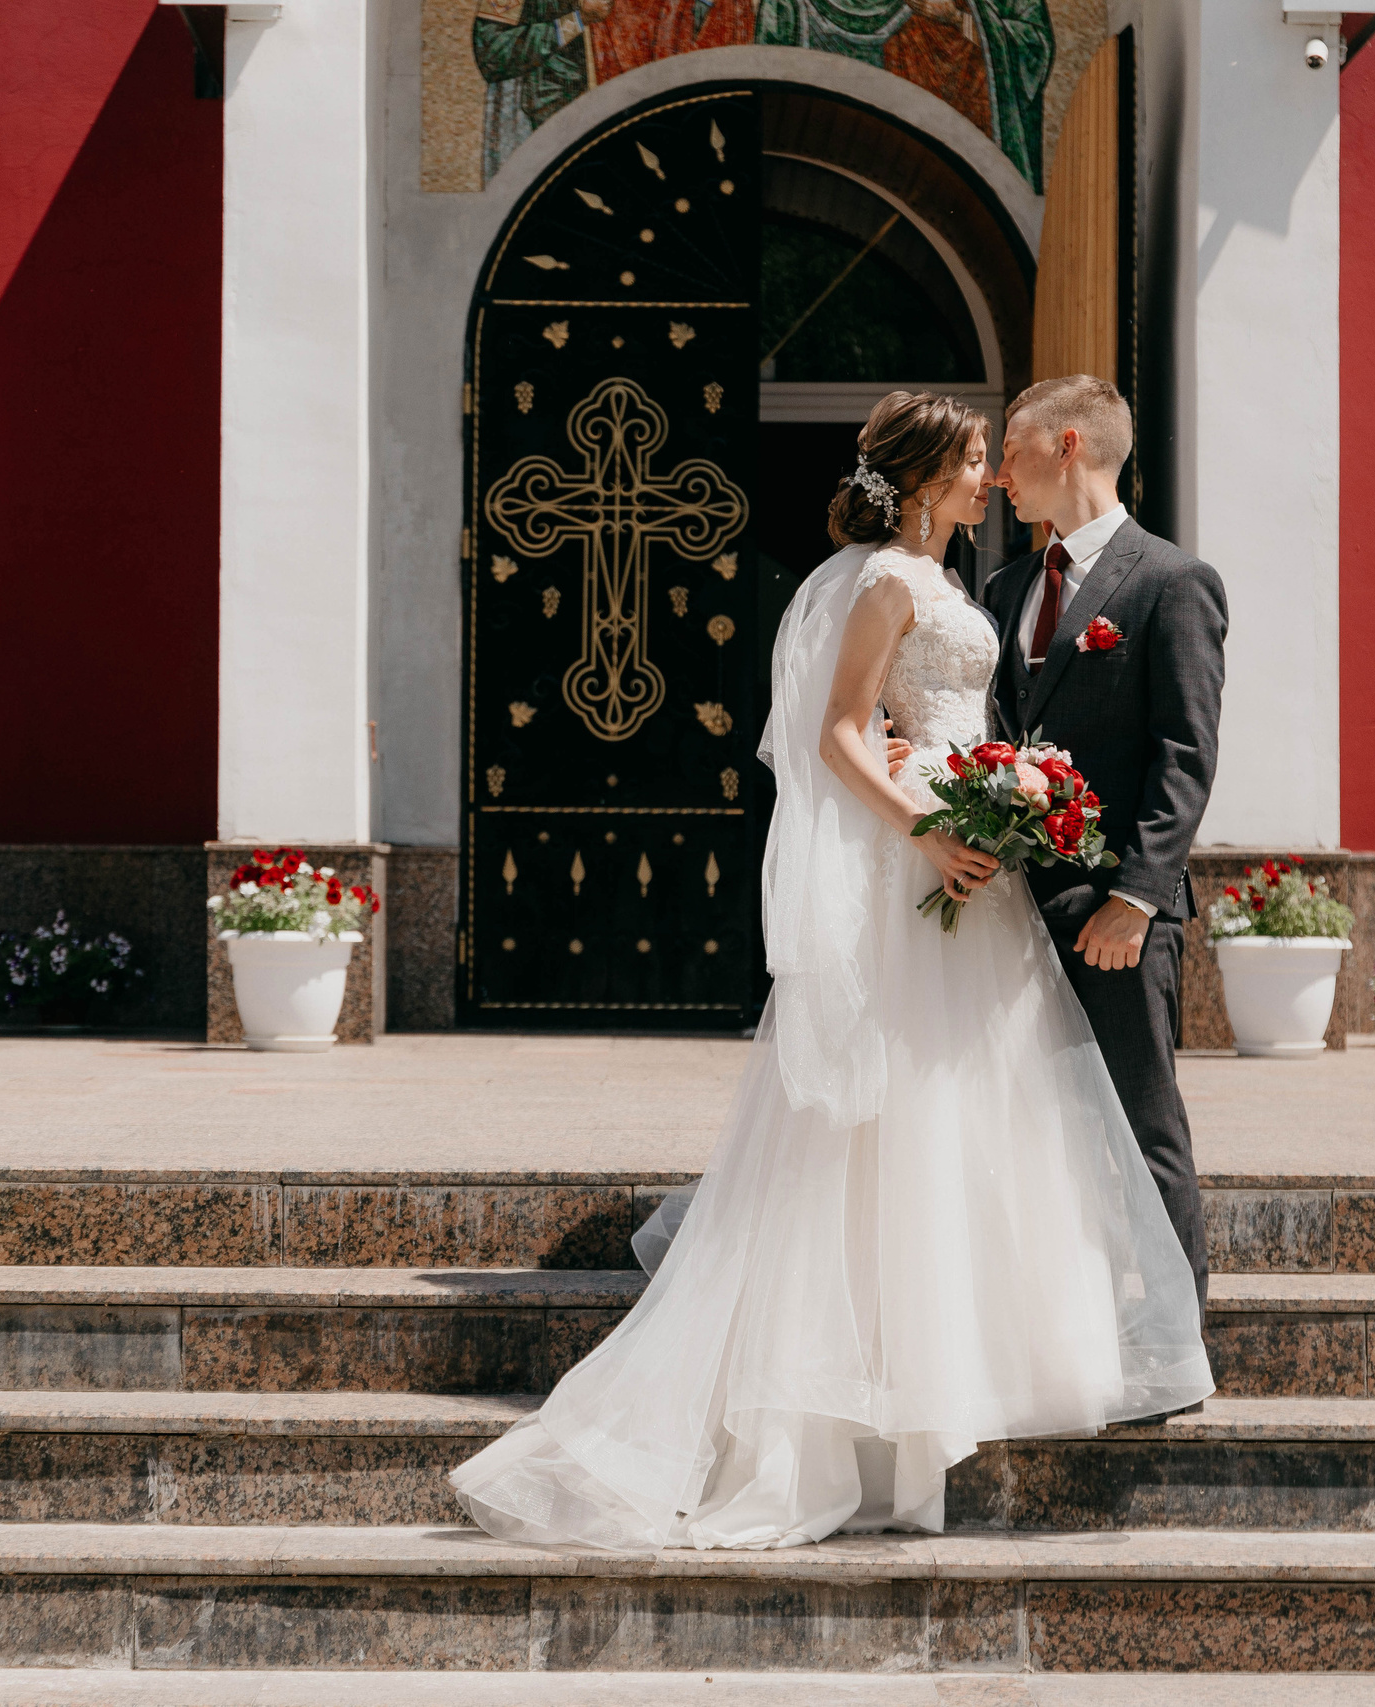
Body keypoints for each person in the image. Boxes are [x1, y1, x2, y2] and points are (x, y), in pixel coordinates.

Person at [449, 390, 1215, 1553]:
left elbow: (1001, 721)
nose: (990, 481)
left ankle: (1040, 1349)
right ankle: (883, 1379)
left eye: (996, 459)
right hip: (931, 869)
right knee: (903, 1121)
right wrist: (926, 820)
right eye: (973, 463)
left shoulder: (978, 583)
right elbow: (835, 731)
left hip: (995, 879)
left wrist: (989, 796)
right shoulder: (887, 579)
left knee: (995, 1113)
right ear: (922, 481)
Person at [978, 375, 1227, 1349]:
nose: (999, 473)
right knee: (1032, 1126)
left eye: (1012, 448)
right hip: (1007, 915)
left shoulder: (1171, 582)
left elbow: (1185, 752)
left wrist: (1135, 896)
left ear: (1069, 444)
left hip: (1116, 919)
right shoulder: (1004, 590)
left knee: (1138, 1126)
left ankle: (1171, 1343)